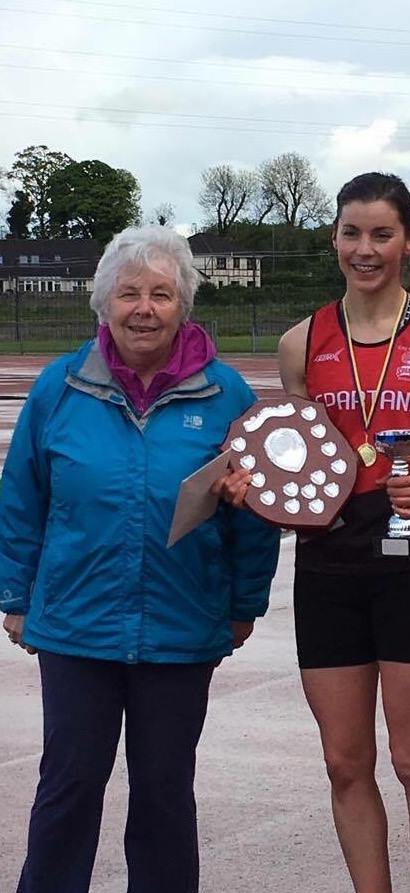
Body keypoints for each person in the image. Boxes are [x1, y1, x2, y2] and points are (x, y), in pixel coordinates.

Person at [218, 172, 410, 892]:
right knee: (343, 760)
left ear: (409, 240)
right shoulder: (301, 341)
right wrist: (258, 491)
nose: (364, 249)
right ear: (333, 236)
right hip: (328, 561)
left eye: (381, 234)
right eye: (350, 233)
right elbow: (297, 453)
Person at [0, 225, 280, 893]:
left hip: (182, 630)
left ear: (183, 303)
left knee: (163, 793)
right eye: (128, 293)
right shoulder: (59, 387)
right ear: (103, 302)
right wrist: (15, 596)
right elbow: (21, 498)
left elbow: (258, 514)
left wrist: (244, 605)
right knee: (66, 787)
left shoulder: (227, 396)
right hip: (76, 626)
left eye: (160, 292)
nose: (144, 308)